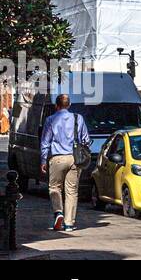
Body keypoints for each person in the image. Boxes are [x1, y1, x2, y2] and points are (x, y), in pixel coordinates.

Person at [40, 94, 90, 232]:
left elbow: (45, 142)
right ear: (69, 105)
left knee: (54, 188)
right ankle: (69, 223)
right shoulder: (78, 118)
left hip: (57, 158)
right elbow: (85, 139)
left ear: (56, 106)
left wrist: (43, 160)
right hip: (74, 158)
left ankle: (58, 212)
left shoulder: (51, 119)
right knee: (72, 191)